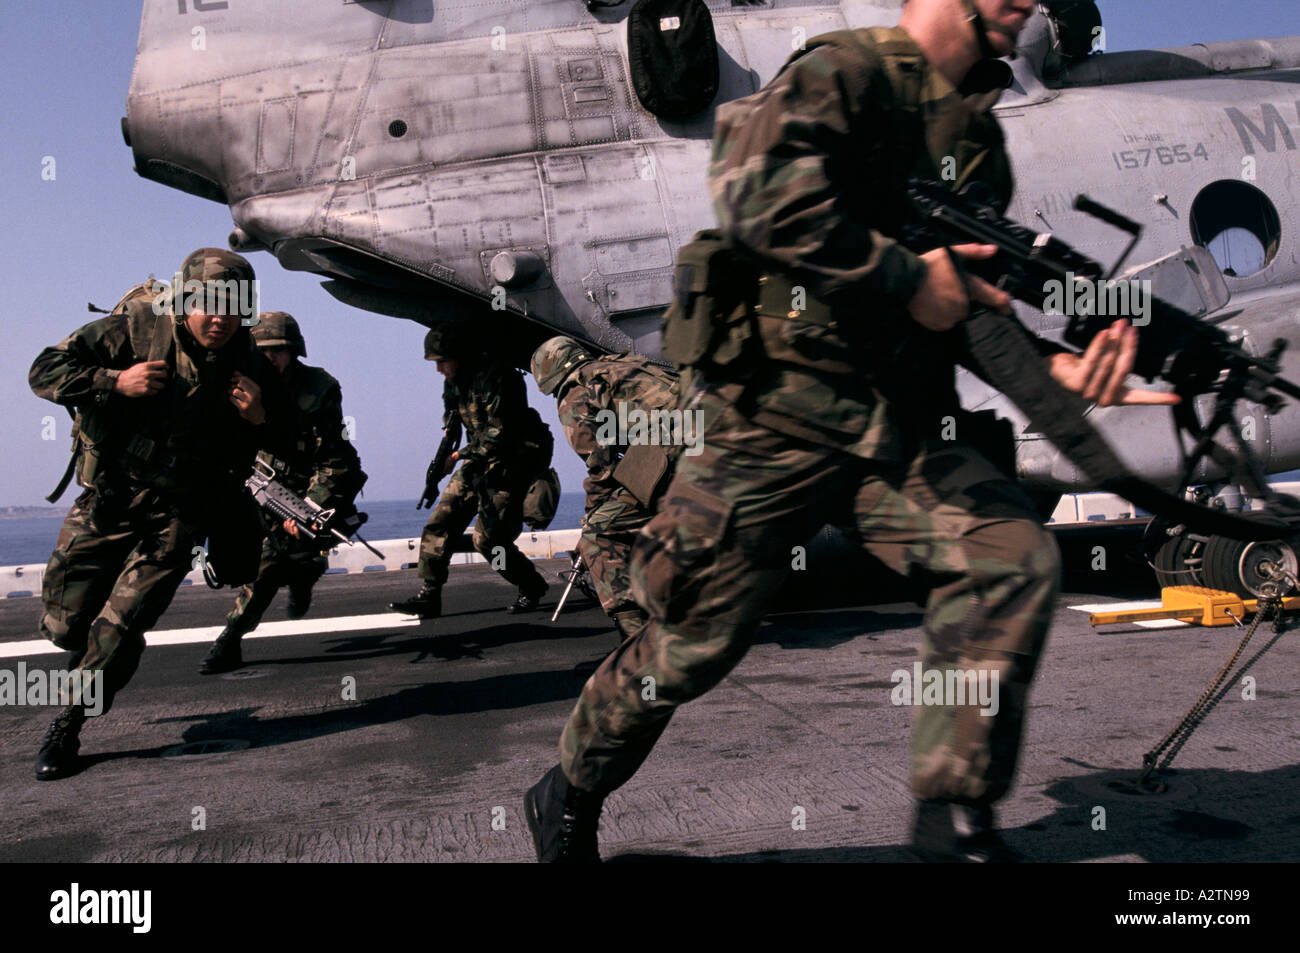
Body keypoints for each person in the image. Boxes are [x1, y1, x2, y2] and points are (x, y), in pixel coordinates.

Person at [524, 0, 1179, 862]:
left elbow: (963, 306)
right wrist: (907, 276)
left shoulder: (976, 136)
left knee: (1006, 556)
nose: (1026, 4)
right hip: (773, 422)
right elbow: (755, 201)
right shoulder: (844, 73)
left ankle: (951, 822)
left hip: (897, 434)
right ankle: (568, 789)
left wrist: (1050, 367)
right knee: (691, 641)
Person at [28, 249, 295, 780]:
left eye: (233, 308)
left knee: (119, 626)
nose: (220, 319)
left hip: (177, 514)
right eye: (209, 304)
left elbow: (288, 436)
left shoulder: (251, 361)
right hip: (109, 499)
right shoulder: (136, 329)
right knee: (64, 624)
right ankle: (99, 657)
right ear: (185, 300)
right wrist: (113, 382)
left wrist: (261, 418)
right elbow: (43, 369)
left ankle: (70, 722)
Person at [200, 311, 368, 674]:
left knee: (294, 556)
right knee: (260, 569)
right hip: (258, 484)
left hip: (309, 484)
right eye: (263, 351)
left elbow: (335, 459)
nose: (271, 357)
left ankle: (302, 576)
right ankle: (230, 640)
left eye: (279, 350)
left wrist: (311, 506)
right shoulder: (237, 383)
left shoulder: (317, 389)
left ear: (294, 351)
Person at [390, 324, 553, 618]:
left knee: (489, 542)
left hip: (510, 463)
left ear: (460, 356)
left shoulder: (499, 377)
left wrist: (457, 455)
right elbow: (452, 422)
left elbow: (499, 434)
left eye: (442, 361)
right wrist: (444, 453)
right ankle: (429, 594)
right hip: (477, 460)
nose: (438, 369)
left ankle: (530, 584)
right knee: (440, 522)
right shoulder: (453, 382)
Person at [530, 336, 682, 642]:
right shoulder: (619, 367)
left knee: (600, 533)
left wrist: (591, 519)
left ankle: (635, 644)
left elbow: (600, 466)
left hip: (678, 449)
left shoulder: (575, 394)